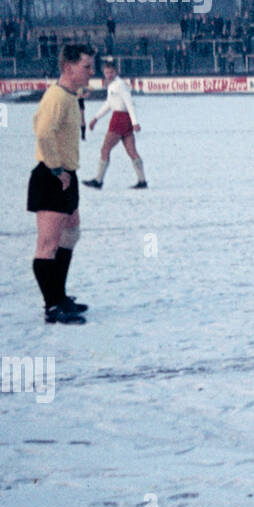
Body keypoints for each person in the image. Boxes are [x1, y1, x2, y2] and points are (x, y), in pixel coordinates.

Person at [28, 43, 95, 324]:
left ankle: (60, 295)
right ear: (69, 68)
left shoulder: (69, 95)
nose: (91, 72)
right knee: (48, 244)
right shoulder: (56, 96)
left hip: (67, 175)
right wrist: (56, 169)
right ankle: (52, 306)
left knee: (71, 235)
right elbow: (42, 132)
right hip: (52, 177)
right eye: (86, 67)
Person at [83, 57, 147, 189]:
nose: (109, 75)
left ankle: (99, 180)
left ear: (116, 72)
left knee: (105, 149)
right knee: (131, 151)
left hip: (120, 119)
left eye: (111, 72)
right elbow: (109, 103)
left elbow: (129, 103)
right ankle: (142, 181)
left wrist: (135, 122)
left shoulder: (120, 85)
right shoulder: (112, 85)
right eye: (106, 73)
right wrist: (96, 118)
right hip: (122, 119)